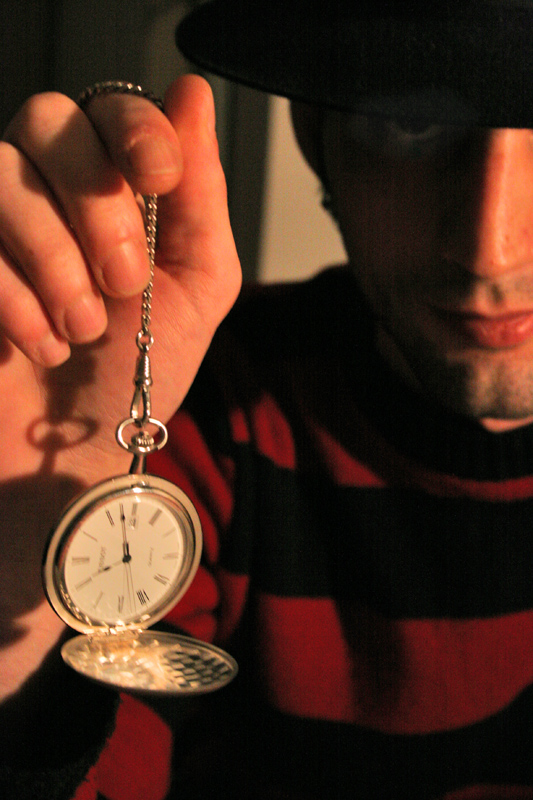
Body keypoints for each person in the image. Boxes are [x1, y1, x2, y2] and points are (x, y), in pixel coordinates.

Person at [2, 0, 533, 797]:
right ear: (316, 140)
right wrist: (21, 560)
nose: (487, 249)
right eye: (414, 126)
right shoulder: (192, 413)